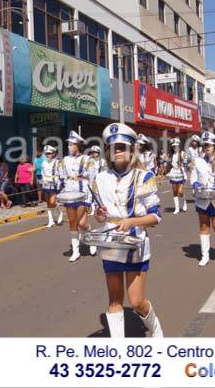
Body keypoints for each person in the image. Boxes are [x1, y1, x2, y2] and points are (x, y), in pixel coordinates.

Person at [93, 122, 163, 337]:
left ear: (132, 150)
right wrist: (100, 215)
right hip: (111, 244)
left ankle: (155, 327)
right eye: (113, 148)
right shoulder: (100, 178)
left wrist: (132, 222)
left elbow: (156, 216)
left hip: (135, 244)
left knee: (136, 302)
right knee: (114, 301)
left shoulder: (144, 177)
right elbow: (99, 215)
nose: (118, 151)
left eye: (122, 147)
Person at [190, 132, 215, 267]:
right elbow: (193, 177)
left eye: (209, 145)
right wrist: (195, 183)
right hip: (202, 198)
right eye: (204, 145)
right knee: (204, 226)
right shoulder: (197, 161)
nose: (206, 147)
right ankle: (205, 255)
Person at [59, 130, 95, 262]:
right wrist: (62, 193)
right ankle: (76, 251)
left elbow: (92, 180)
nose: (69, 147)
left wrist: (91, 200)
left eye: (71, 144)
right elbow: (62, 178)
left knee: (81, 223)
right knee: (74, 223)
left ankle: (90, 239)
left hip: (83, 195)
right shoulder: (65, 160)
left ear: (78, 145)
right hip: (69, 195)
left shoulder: (88, 160)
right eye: (68, 144)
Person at [41, 145, 64, 228]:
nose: (48, 155)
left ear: (53, 154)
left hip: (54, 184)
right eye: (47, 153)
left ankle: (60, 213)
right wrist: (43, 181)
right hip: (46, 184)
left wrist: (60, 183)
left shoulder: (57, 162)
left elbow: (61, 174)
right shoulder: (44, 162)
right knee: (48, 203)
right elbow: (43, 173)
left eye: (50, 153)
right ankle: (50, 221)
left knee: (52, 202)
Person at [168, 138, 188, 214]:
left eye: (176, 146)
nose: (174, 147)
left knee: (180, 192)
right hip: (173, 173)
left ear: (178, 146)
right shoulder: (171, 154)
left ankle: (184, 203)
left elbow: (185, 164)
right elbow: (170, 164)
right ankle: (177, 208)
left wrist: (183, 163)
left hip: (180, 173)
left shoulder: (182, 153)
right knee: (175, 191)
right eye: (173, 146)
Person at [88, 145, 107, 216]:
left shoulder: (103, 162)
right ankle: (93, 209)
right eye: (92, 152)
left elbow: (106, 171)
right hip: (91, 180)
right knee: (91, 194)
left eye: (95, 152)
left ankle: (99, 209)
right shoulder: (89, 161)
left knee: (99, 195)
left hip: (100, 181)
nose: (93, 154)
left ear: (99, 153)